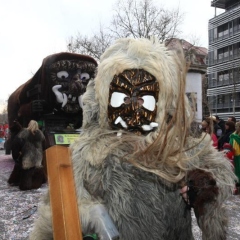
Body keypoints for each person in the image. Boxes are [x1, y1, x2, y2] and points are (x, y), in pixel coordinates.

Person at [8, 120, 46, 190]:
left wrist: (18, 153)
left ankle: (25, 185)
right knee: (37, 170)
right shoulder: (40, 134)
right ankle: (36, 184)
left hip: (28, 155)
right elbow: (44, 145)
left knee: (27, 171)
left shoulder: (24, 133)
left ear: (29, 125)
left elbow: (17, 143)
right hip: (38, 156)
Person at [230, 121, 240, 186]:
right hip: (235, 155)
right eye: (235, 126)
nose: (236, 127)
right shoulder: (233, 135)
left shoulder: (234, 135)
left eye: (237, 126)